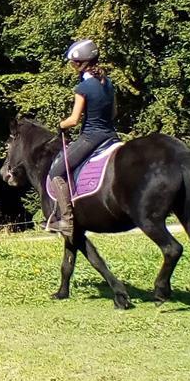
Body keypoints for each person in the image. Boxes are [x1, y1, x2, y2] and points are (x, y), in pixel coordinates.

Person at [47, 38, 117, 236]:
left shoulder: (83, 88)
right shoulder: (108, 83)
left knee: (56, 172)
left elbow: (74, 120)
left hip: (91, 137)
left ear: (80, 63)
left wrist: (60, 124)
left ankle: (67, 221)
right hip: (111, 136)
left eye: (73, 63)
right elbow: (113, 113)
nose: (72, 66)